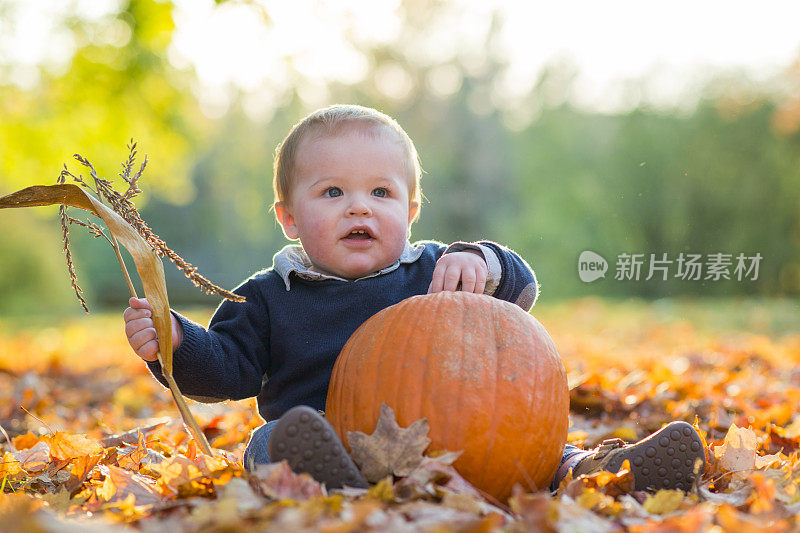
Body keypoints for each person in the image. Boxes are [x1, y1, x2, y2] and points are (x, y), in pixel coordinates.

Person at [123, 104, 705, 493]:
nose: (360, 207)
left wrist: (482, 260)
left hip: (462, 437)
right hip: (340, 442)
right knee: (275, 441)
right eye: (333, 192)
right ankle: (333, 483)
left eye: (381, 191)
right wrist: (173, 343)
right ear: (290, 218)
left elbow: (520, 290)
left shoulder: (433, 267)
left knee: (537, 454)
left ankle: (611, 470)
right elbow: (225, 372)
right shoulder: (270, 296)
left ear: (410, 210)